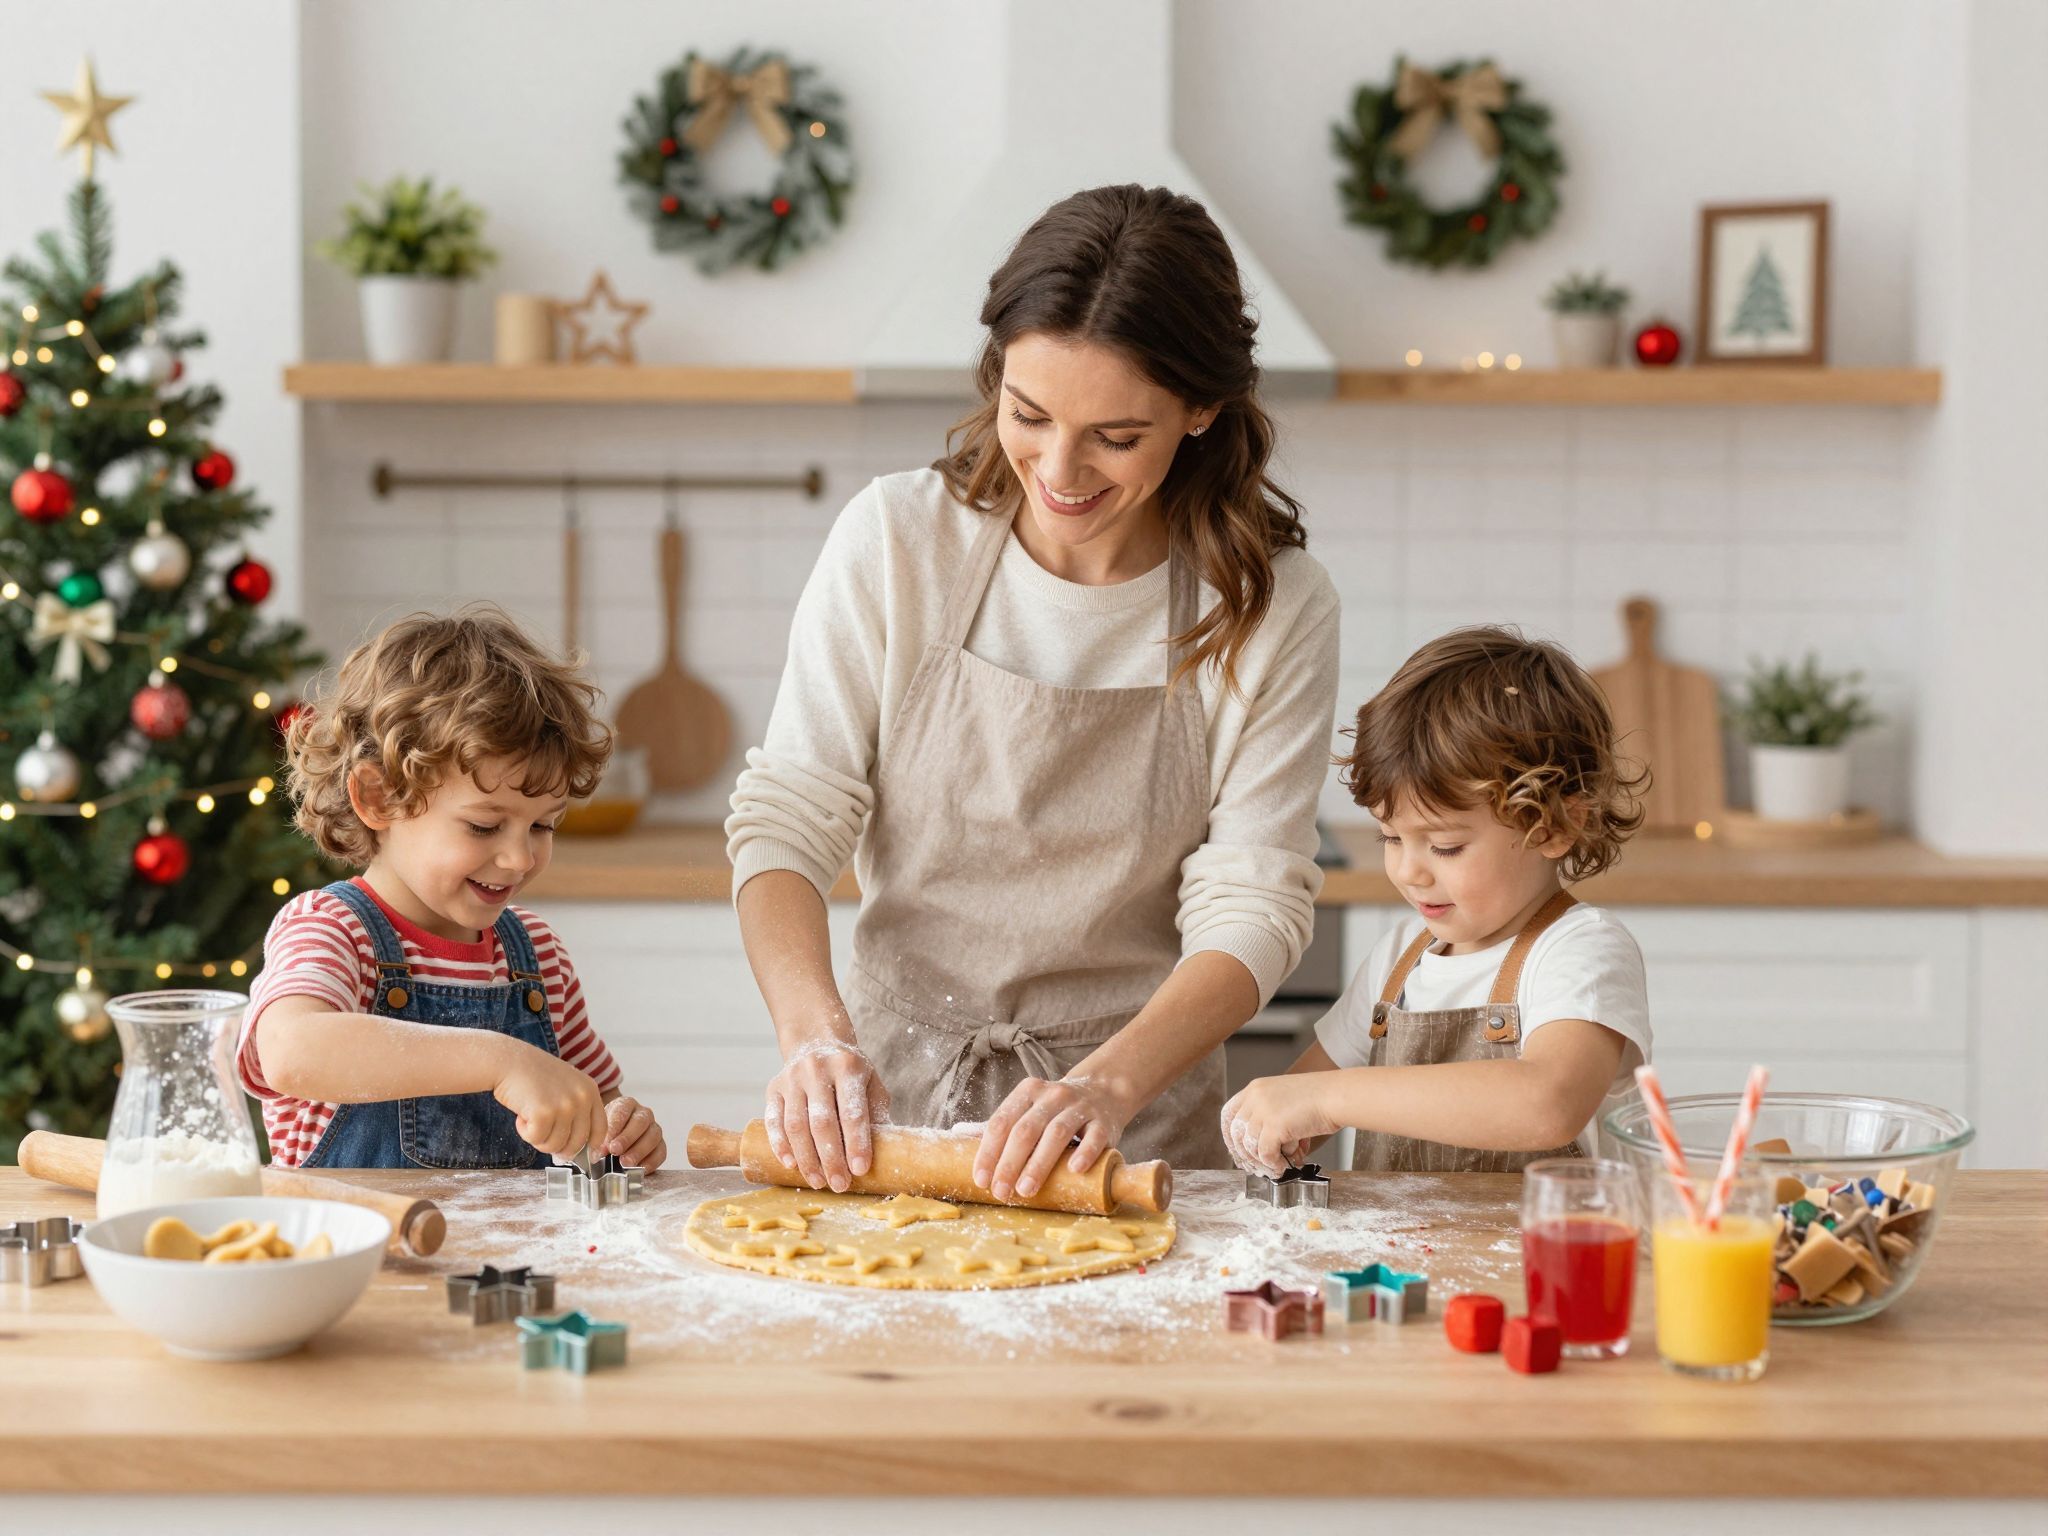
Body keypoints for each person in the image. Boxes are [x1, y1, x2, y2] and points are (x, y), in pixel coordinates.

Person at [726, 184, 1340, 1195]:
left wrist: (1106, 1085)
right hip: (887, 1121)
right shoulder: (897, 540)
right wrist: (811, 1036)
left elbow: (1253, 903)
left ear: (1200, 411)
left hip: (1126, 1135)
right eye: (1029, 414)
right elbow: (789, 817)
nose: (1059, 469)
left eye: (1116, 436)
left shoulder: (1268, 604)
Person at [241, 606, 666, 1172]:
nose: (520, 858)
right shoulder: (332, 930)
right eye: (484, 826)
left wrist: (621, 1131)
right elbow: (291, 1053)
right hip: (363, 1234)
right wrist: (500, 1060)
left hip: (511, 1236)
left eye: (543, 825)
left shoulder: (537, 956)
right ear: (378, 798)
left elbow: (592, 1101)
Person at [1221, 626, 1651, 1175]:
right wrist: (1272, 1124)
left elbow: (1548, 1104)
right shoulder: (1401, 957)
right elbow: (1302, 1097)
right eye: (1390, 837)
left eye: (1445, 846)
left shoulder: (1580, 949)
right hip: (1399, 1235)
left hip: (1542, 1234)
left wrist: (1329, 1098)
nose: (1408, 872)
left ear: (1555, 827)